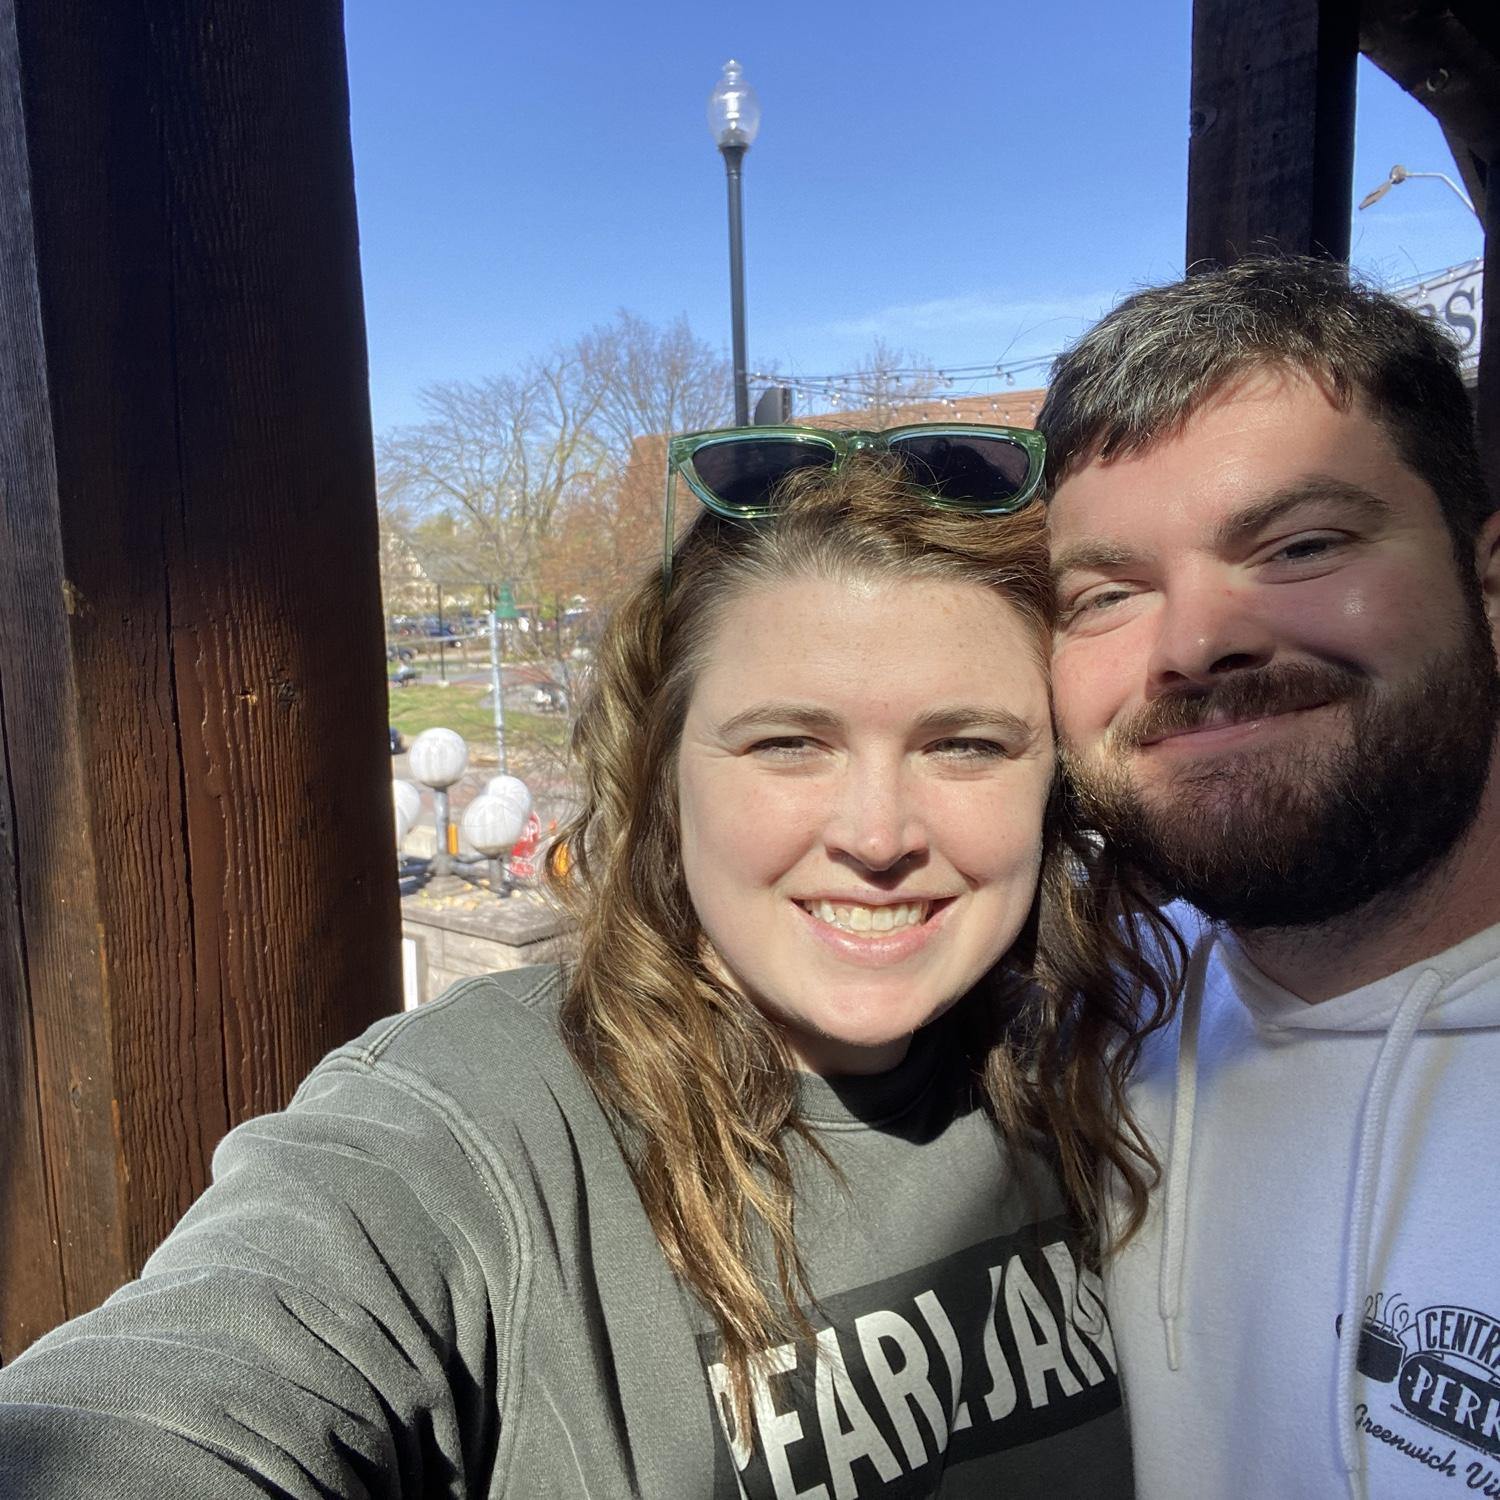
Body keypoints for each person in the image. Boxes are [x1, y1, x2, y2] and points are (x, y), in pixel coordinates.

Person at [0, 432, 1174, 1497]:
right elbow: (158, 1408)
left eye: (964, 744)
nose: (876, 835)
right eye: (787, 743)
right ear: (665, 777)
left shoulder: (1100, 1066)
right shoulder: (477, 1127)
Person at [1039, 255, 1500, 1499]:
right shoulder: (1079, 1010)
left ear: (1491, 586)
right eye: (1108, 593)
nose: (1196, 643)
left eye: (1299, 545)